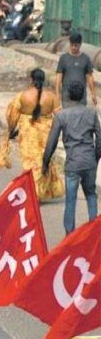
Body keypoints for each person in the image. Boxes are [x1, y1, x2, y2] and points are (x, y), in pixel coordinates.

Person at [0, 68, 64, 201]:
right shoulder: (51, 97)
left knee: (29, 163)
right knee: (42, 161)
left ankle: (33, 193)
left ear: (31, 79)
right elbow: (60, 117)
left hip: (27, 134)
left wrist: (11, 130)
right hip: (45, 134)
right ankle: (38, 192)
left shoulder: (22, 96)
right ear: (43, 80)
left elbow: (12, 115)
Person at [43, 80, 101, 233]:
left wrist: (45, 162)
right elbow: (99, 139)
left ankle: (69, 236)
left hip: (72, 164)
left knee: (70, 200)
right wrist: (95, 159)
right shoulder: (91, 113)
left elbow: (52, 142)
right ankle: (94, 232)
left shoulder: (61, 116)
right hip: (89, 161)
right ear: (83, 95)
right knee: (91, 194)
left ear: (68, 95)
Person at [56, 32, 98, 107]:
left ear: (80, 44)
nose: (73, 47)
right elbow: (59, 76)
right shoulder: (63, 58)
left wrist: (93, 94)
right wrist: (57, 93)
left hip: (81, 97)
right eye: (71, 45)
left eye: (76, 45)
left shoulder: (85, 58)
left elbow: (90, 77)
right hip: (67, 96)